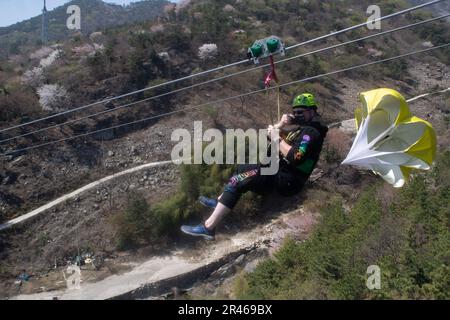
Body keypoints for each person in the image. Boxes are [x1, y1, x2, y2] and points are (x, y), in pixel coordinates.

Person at [181, 93, 328, 240]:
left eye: (301, 112)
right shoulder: (300, 129)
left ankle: (208, 227)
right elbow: (270, 137)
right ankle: (220, 201)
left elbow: (296, 157)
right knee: (242, 168)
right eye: (295, 112)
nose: (297, 115)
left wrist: (276, 137)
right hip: (278, 172)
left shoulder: (311, 132)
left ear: (312, 111)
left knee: (238, 180)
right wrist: (281, 125)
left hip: (286, 180)